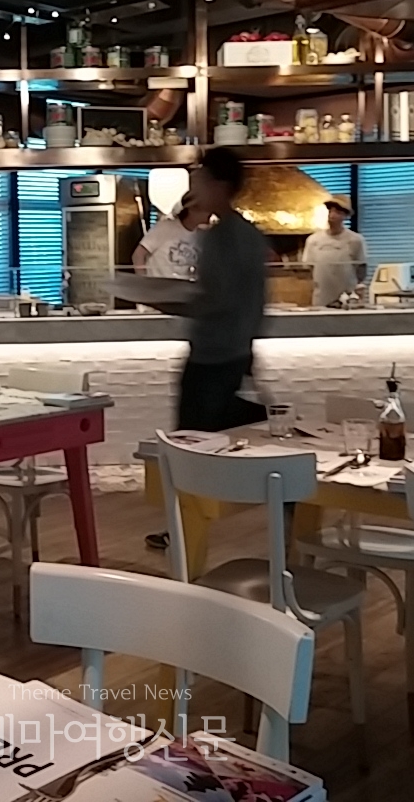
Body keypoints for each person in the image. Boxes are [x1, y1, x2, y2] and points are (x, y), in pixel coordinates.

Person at [145, 148, 269, 550]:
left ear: (219, 185)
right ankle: (186, 529)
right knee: (208, 437)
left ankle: (184, 534)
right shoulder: (246, 236)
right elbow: (247, 303)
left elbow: (215, 300)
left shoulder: (224, 238)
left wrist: (166, 301)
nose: (195, 185)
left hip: (212, 356)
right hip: (231, 353)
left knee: (188, 446)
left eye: (200, 178)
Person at [301, 196, 367, 306]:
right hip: (321, 298)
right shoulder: (313, 240)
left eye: (338, 212)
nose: (332, 215)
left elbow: (361, 268)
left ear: (345, 215)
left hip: (347, 299)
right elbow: (309, 269)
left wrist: (355, 291)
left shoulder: (355, 240)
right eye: (330, 211)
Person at [132, 195, 210, 279]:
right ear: (192, 209)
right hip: (157, 285)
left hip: (184, 286)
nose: (210, 214)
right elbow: (138, 254)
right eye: (206, 209)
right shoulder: (165, 227)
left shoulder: (202, 236)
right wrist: (144, 281)